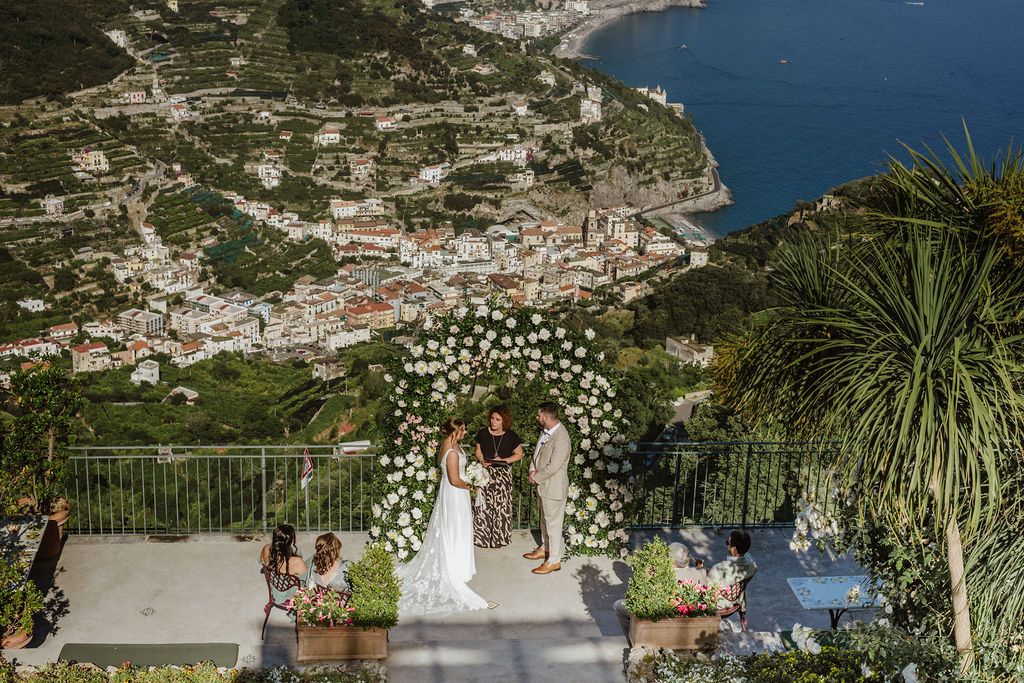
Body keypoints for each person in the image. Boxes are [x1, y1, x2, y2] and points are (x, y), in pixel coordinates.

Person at [395, 418, 488, 615]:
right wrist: (473, 485)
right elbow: (455, 480)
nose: (465, 432)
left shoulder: (451, 444)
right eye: (462, 430)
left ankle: (459, 563)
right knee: (455, 527)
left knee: (458, 527)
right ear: (455, 432)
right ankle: (455, 567)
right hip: (454, 495)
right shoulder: (452, 452)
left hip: (455, 493)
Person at [613, 541, 708, 636]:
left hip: (666, 621)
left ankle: (633, 639)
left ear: (669, 560)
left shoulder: (661, 577)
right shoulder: (701, 572)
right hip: (694, 619)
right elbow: (697, 565)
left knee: (618, 606)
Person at [524, 401, 572, 575]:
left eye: (539, 415)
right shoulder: (546, 432)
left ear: (544, 416)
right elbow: (537, 453)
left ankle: (554, 561)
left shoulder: (562, 438)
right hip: (544, 485)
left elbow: (554, 466)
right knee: (544, 522)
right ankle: (545, 548)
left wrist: (535, 477)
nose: (538, 418)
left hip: (554, 488)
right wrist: (532, 469)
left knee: (553, 525)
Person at [473, 405, 525, 548]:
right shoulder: (483, 433)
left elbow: (519, 454)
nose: (493, 422)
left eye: (497, 419)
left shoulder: (511, 436)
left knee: (501, 507)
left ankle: (498, 539)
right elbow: (478, 451)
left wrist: (504, 460)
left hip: (503, 476)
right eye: (492, 418)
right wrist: (482, 460)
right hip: (485, 473)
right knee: (483, 505)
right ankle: (482, 538)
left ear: (504, 421)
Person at [708, 530, 757, 611]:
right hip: (737, 601)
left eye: (728, 542)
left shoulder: (717, 569)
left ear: (734, 550)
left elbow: (709, 591)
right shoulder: (752, 566)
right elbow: (749, 559)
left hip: (720, 606)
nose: (727, 544)